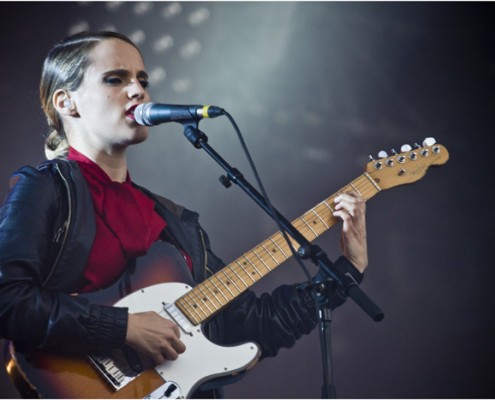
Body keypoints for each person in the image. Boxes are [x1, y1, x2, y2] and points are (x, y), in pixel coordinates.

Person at [0, 31, 368, 398]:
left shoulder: (171, 220)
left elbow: (249, 325)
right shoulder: (46, 188)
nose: (137, 91)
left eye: (142, 80)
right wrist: (122, 328)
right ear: (66, 102)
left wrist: (348, 268)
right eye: (116, 79)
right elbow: (8, 299)